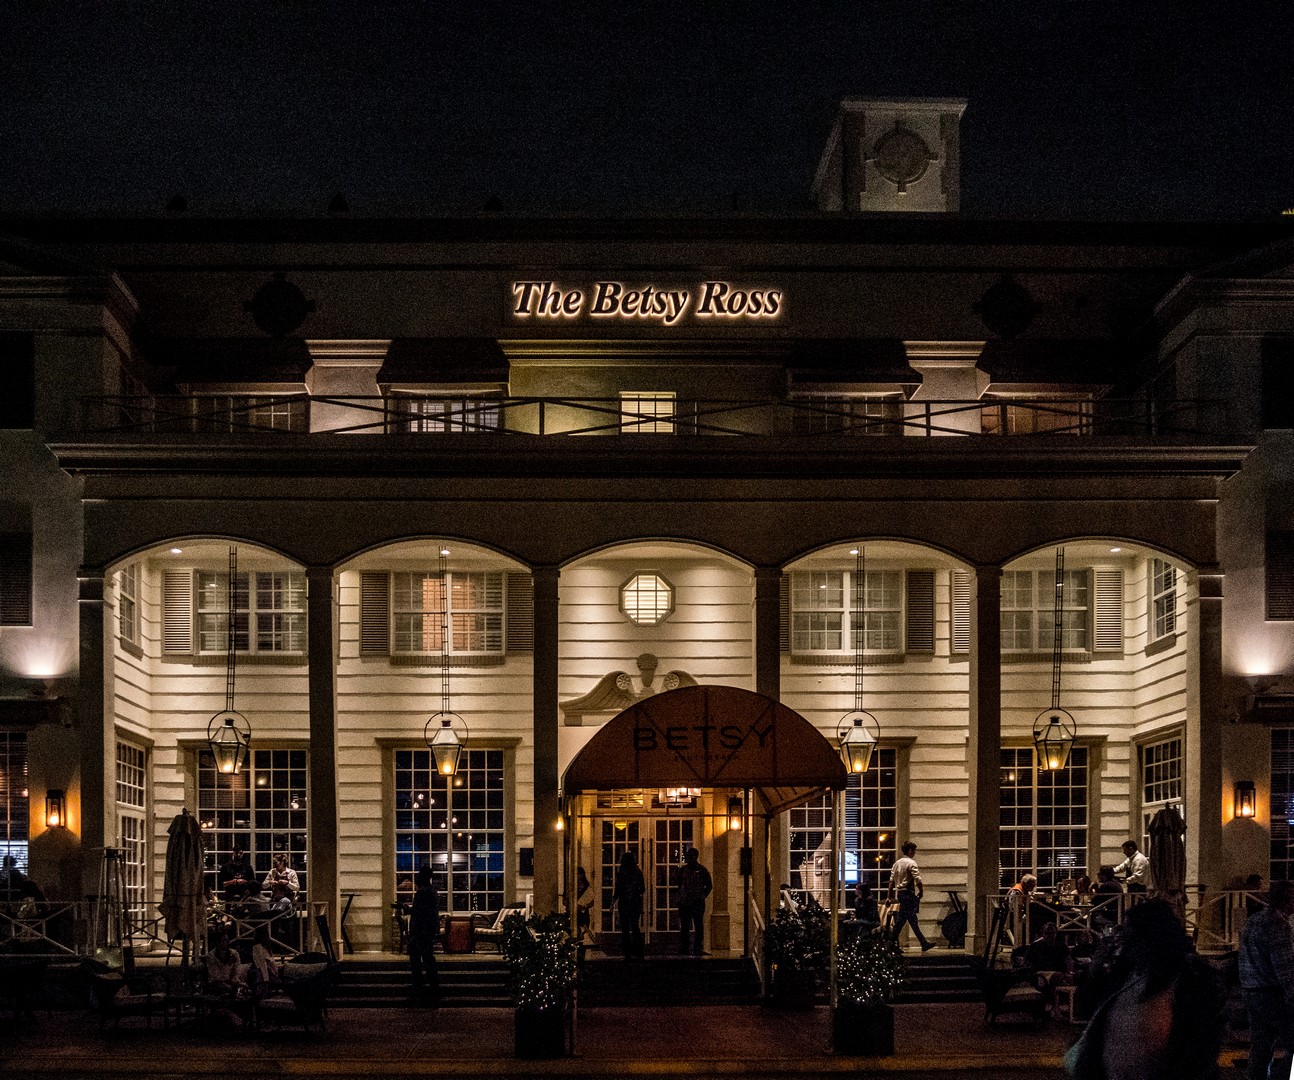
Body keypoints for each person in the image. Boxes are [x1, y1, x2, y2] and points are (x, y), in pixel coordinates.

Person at [1066, 899, 1224, 1080]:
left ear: (1152, 936)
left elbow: (1201, 1048)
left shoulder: (1190, 979)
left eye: (1131, 934)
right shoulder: (1125, 974)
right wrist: (1096, 968)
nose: (1125, 941)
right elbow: (1086, 1007)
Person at [1238, 878, 1294, 1080]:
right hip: (1271, 992)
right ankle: (1281, 1076)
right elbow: (1284, 967)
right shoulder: (1278, 925)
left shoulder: (1254, 920)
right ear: (1288, 900)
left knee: (1261, 1046)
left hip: (1251, 989)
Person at [888, 841, 934, 951]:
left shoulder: (896, 864)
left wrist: (889, 897)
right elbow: (917, 879)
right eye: (914, 851)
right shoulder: (911, 863)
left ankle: (922, 943)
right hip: (908, 894)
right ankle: (890, 943)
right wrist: (921, 891)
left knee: (907, 920)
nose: (914, 853)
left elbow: (891, 882)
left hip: (900, 894)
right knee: (908, 920)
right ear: (909, 851)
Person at [407, 864, 440, 1003]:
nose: (417, 877)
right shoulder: (432, 891)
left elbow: (419, 912)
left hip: (421, 930)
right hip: (427, 929)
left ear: (423, 877)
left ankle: (420, 982)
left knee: (418, 956)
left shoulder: (423, 892)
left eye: (419, 875)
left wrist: (406, 909)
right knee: (427, 957)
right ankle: (431, 983)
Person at [677, 847, 713, 956]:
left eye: (690, 856)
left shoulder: (702, 870)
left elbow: (709, 885)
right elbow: (679, 884)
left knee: (698, 925)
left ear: (695, 857)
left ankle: (698, 947)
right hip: (685, 902)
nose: (688, 859)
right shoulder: (683, 870)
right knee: (685, 926)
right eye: (687, 856)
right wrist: (682, 896)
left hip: (697, 902)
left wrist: (702, 896)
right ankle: (685, 947)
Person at [613, 850, 645, 961]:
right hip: (634, 902)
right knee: (635, 927)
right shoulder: (637, 872)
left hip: (624, 903)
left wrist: (614, 899)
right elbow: (642, 888)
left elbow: (618, 888)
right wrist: (636, 893)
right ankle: (638, 950)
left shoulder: (621, 873)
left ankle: (627, 951)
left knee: (625, 928)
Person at [1006, 873, 1037, 945]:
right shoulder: (1016, 891)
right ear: (1025, 883)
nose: (1033, 887)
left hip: (1021, 915)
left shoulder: (1025, 891)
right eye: (1032, 885)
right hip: (1013, 917)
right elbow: (1013, 907)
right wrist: (1024, 915)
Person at [575, 866, 594, 944]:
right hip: (574, 913)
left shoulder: (587, 888)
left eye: (578, 874)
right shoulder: (572, 887)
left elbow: (592, 901)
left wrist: (585, 906)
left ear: (582, 875)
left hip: (583, 913)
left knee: (584, 930)